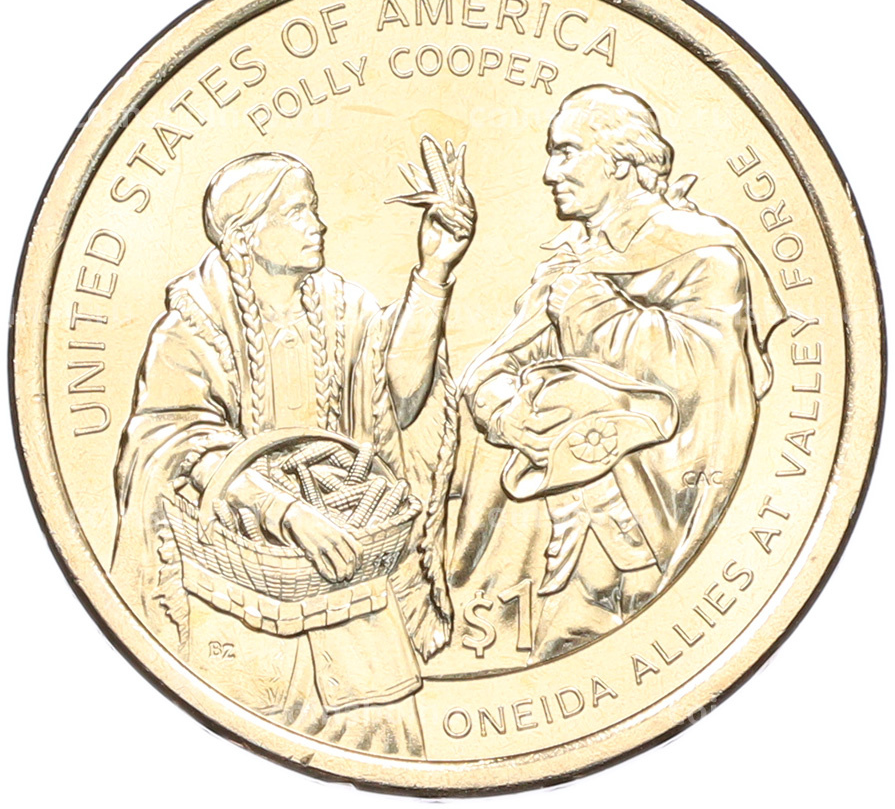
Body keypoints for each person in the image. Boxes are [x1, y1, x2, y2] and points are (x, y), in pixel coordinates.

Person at [111, 144, 475, 755]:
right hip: (237, 610)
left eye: (315, 208)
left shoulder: (346, 309)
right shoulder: (188, 329)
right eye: (298, 211)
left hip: (355, 604)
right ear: (243, 236)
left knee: (393, 753)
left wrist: (433, 272)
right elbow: (177, 440)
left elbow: (402, 396)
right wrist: (287, 513)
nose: (319, 224)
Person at [456, 84, 787, 662]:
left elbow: (705, 378)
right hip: (549, 537)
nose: (549, 173)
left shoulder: (704, 255)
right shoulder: (571, 261)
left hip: (649, 537)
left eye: (566, 151)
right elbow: (494, 366)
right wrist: (506, 415)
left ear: (620, 159)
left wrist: (589, 308)